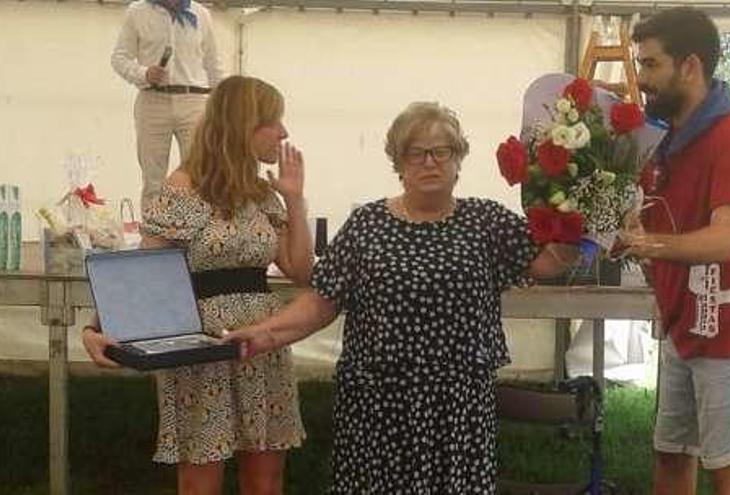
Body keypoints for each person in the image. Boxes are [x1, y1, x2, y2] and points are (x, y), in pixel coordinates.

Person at [226, 101, 580, 493]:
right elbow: (322, 300)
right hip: (378, 403)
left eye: (441, 151)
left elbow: (547, 263)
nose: (429, 162)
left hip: (457, 406)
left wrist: (580, 217)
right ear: (399, 162)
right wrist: (266, 333)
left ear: (458, 159)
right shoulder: (367, 225)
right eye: (416, 152)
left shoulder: (487, 222)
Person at [82, 75, 311, 495]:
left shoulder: (263, 194)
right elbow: (146, 277)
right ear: (244, 124)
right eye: (273, 121)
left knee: (265, 479)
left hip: (261, 339)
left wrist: (295, 198)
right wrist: (95, 328)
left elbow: (300, 270)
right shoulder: (182, 188)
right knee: (200, 478)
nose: (284, 133)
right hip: (200, 340)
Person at [619, 8, 730, 495]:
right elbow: (652, 216)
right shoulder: (662, 135)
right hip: (682, 325)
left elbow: (723, 240)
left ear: (689, 66)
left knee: (726, 467)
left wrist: (646, 243)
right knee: (671, 456)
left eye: (651, 65)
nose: (641, 79)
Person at [111, 0, 224, 210]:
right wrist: (144, 73)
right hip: (153, 99)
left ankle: (195, 234)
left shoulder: (202, 14)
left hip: (194, 100)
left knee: (199, 173)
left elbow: (213, 65)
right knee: (153, 178)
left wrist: (225, 106)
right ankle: (154, 238)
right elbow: (119, 58)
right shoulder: (137, 12)